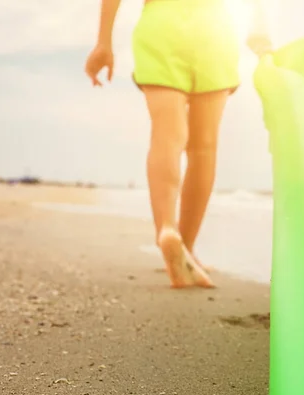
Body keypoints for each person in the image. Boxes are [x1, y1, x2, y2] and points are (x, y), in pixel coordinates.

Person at [84, 0, 272, 288]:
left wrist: (103, 43)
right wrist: (260, 36)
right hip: (214, 30)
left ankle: (167, 230)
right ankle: (188, 246)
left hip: (162, 27)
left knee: (166, 137)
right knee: (204, 147)